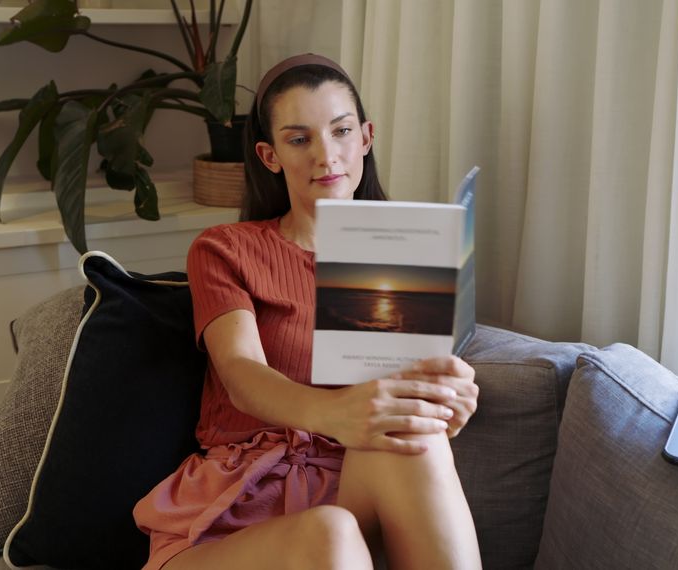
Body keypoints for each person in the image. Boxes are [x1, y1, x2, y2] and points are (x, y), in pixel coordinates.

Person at [133, 53, 482, 570]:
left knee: (413, 439)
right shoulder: (226, 248)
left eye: (341, 131)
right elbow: (241, 373)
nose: (326, 156)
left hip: (352, 497)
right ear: (270, 155)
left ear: (366, 137)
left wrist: (445, 400)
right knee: (329, 532)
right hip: (236, 512)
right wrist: (335, 412)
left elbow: (405, 396)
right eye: (299, 139)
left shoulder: (404, 254)